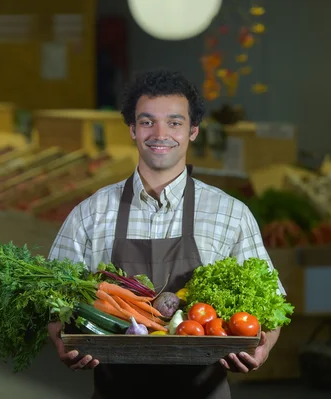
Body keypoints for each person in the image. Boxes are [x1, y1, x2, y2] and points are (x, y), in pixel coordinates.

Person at [47, 69, 286, 399]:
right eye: (147, 122)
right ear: (132, 130)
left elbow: (272, 302)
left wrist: (265, 348)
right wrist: (62, 341)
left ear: (193, 131)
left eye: (174, 122)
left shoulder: (230, 213)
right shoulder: (92, 212)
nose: (160, 133)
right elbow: (52, 298)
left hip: (204, 391)